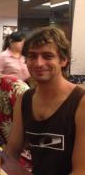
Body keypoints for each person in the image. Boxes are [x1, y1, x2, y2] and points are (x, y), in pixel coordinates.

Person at [5, 27, 85, 175]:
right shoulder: (24, 99)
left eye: (47, 56)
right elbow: (12, 150)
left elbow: (81, 170)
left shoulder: (80, 102)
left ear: (63, 60)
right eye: (32, 56)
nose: (39, 63)